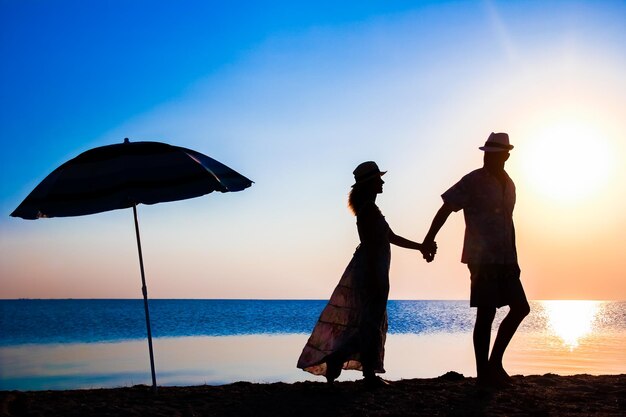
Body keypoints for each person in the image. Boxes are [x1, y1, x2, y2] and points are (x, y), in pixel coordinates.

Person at [297, 161, 435, 388]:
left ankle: (354, 366)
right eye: (378, 179)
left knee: (369, 321)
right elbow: (380, 241)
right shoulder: (369, 210)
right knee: (371, 321)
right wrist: (417, 249)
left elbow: (390, 236)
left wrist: (420, 247)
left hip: (373, 266)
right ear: (370, 183)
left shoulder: (369, 208)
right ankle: (353, 366)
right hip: (373, 268)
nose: (382, 182)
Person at [421, 132, 530, 387]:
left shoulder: (509, 184)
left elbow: (508, 222)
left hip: (506, 258)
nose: (489, 157)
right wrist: (428, 239)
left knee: (520, 308)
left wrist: (514, 259)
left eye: (495, 153)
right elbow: (446, 207)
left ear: (506, 155)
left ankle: (494, 364)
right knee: (486, 313)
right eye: (487, 153)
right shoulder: (473, 181)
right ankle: (483, 374)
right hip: (482, 258)